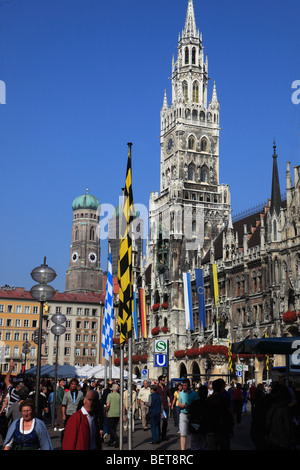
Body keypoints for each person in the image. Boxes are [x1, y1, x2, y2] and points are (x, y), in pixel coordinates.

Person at [206, 378, 234, 450]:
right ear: (222, 388)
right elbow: (230, 412)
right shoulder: (225, 399)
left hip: (211, 428)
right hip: (223, 428)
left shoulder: (209, 400)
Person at [178, 378, 199, 450]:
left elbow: (197, 404)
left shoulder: (194, 393)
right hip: (183, 414)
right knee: (183, 434)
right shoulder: (181, 393)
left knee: (193, 434)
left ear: (189, 385)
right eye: (183, 385)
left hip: (192, 415)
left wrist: (191, 407)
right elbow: (179, 403)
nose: (184, 387)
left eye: (185, 385)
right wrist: (183, 406)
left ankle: (194, 448)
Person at [188, 384, 208, 450]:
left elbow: (188, 415)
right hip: (205, 427)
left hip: (194, 427)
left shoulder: (194, 403)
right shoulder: (208, 403)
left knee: (195, 444)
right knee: (204, 444)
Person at [156, 375, 172, 441]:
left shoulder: (166, 387)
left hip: (165, 406)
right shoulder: (157, 388)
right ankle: (159, 435)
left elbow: (170, 395)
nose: (164, 381)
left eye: (164, 380)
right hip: (159, 407)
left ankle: (164, 435)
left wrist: (170, 402)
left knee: (165, 421)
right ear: (160, 381)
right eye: (163, 380)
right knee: (158, 421)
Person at [106, 383, 120, 448]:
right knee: (114, 427)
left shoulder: (110, 395)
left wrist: (106, 411)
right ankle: (111, 441)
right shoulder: (119, 395)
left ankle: (116, 439)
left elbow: (108, 404)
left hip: (111, 413)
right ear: (117, 388)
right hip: (117, 413)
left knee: (111, 428)